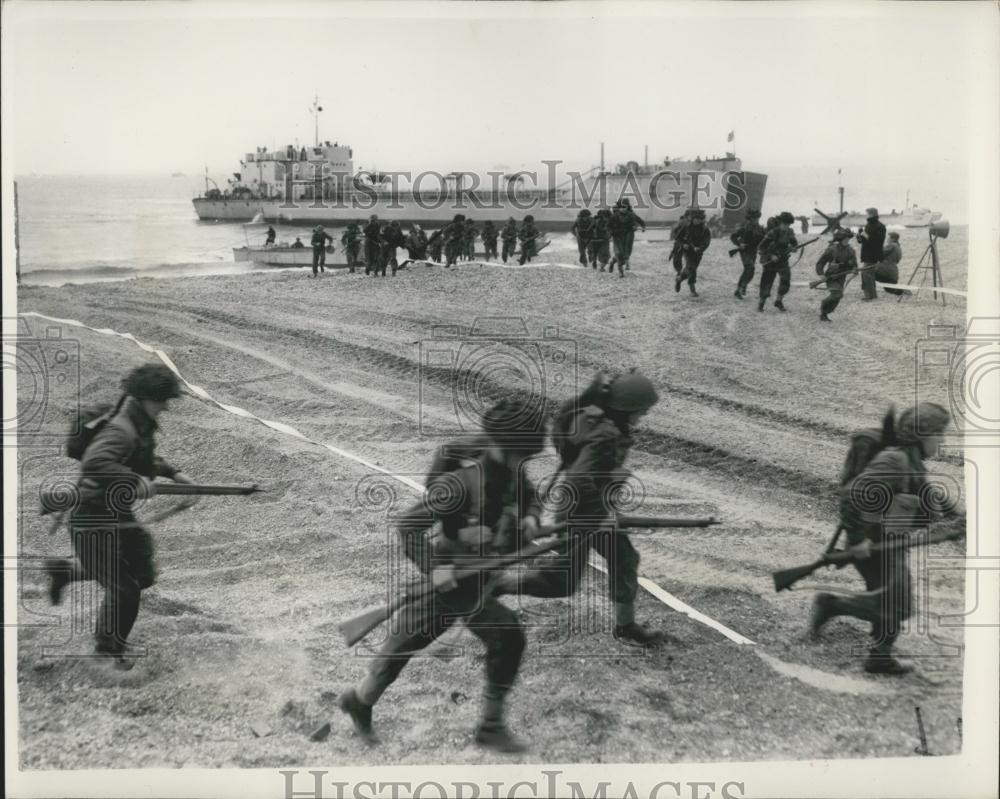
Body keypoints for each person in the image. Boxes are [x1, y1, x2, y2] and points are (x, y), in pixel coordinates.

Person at [336, 400, 547, 753]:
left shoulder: (512, 475)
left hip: (479, 576)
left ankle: (359, 700)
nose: (521, 462)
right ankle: (490, 727)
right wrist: (436, 570)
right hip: (455, 580)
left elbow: (531, 498)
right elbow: (408, 526)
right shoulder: (461, 484)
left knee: (407, 643)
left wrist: (531, 519)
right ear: (502, 446)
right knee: (506, 636)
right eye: (518, 454)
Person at [493, 370, 667, 646]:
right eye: (640, 411)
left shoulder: (593, 419)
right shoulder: (605, 435)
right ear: (625, 408)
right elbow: (577, 481)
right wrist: (601, 515)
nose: (641, 417)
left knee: (624, 558)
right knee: (562, 581)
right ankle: (497, 586)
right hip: (580, 511)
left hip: (592, 508)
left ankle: (626, 626)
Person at [43, 364, 193, 670]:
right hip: (91, 517)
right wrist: (134, 481)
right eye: (162, 400)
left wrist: (173, 473)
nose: (166, 406)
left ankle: (67, 572)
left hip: (115, 513)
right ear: (145, 398)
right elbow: (95, 463)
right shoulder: (121, 429)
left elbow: (143, 456)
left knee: (143, 573)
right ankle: (107, 651)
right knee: (125, 588)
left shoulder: (138, 422)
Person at [809, 403, 961, 674]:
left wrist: (962, 519)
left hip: (889, 543)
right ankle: (831, 606)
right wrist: (857, 541)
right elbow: (851, 495)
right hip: (874, 545)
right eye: (939, 434)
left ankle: (879, 656)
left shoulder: (912, 463)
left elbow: (930, 497)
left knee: (892, 599)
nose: (942, 440)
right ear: (922, 434)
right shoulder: (895, 461)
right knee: (898, 603)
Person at [756, 211, 799, 312]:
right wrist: (771, 256)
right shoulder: (773, 232)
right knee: (767, 281)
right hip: (769, 261)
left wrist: (793, 248)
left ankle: (778, 301)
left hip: (783, 260)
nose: (786, 226)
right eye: (784, 224)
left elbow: (794, 243)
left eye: (788, 224)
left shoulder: (790, 232)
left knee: (786, 280)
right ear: (780, 223)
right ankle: (761, 302)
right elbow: (761, 247)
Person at [814, 228, 858, 321]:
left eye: (848, 239)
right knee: (837, 294)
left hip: (842, 276)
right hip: (831, 276)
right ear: (840, 239)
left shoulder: (851, 251)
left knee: (838, 297)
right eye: (845, 239)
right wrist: (821, 274)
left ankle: (824, 313)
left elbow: (854, 265)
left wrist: (854, 270)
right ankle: (824, 305)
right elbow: (820, 263)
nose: (847, 241)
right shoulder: (831, 250)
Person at [730, 209, 765, 299]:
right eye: (753, 218)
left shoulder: (761, 229)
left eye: (756, 218)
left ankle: (739, 289)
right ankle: (742, 287)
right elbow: (733, 236)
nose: (755, 220)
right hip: (745, 251)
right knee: (750, 267)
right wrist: (739, 244)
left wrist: (762, 249)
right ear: (749, 219)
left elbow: (765, 240)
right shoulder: (744, 228)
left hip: (753, 251)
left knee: (750, 271)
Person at [676, 209, 711, 296]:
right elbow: (678, 238)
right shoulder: (687, 227)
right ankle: (692, 289)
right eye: (696, 218)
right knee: (692, 269)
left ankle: (680, 278)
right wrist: (683, 245)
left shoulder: (705, 229)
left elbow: (707, 241)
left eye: (699, 219)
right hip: (688, 251)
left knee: (690, 269)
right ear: (692, 218)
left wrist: (700, 248)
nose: (697, 221)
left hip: (698, 252)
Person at [856, 208, 887, 301]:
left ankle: (868, 296)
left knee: (865, 273)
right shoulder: (869, 225)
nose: (867, 215)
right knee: (870, 274)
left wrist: (864, 234)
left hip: (873, 254)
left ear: (872, 214)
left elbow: (877, 241)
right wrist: (859, 236)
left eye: (868, 214)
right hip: (868, 253)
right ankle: (872, 295)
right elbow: (864, 240)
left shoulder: (879, 226)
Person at [875, 231, 905, 295]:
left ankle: (870, 294)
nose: (887, 239)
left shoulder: (891, 245)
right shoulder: (898, 247)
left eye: (888, 238)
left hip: (885, 271)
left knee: (868, 273)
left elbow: (880, 253)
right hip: (893, 272)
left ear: (893, 239)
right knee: (890, 289)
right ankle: (903, 292)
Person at [669, 211, 691, 279]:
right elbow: (676, 233)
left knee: (688, 259)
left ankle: (686, 271)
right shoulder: (682, 223)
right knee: (677, 259)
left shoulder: (693, 223)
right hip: (681, 242)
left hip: (689, 243)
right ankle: (680, 271)